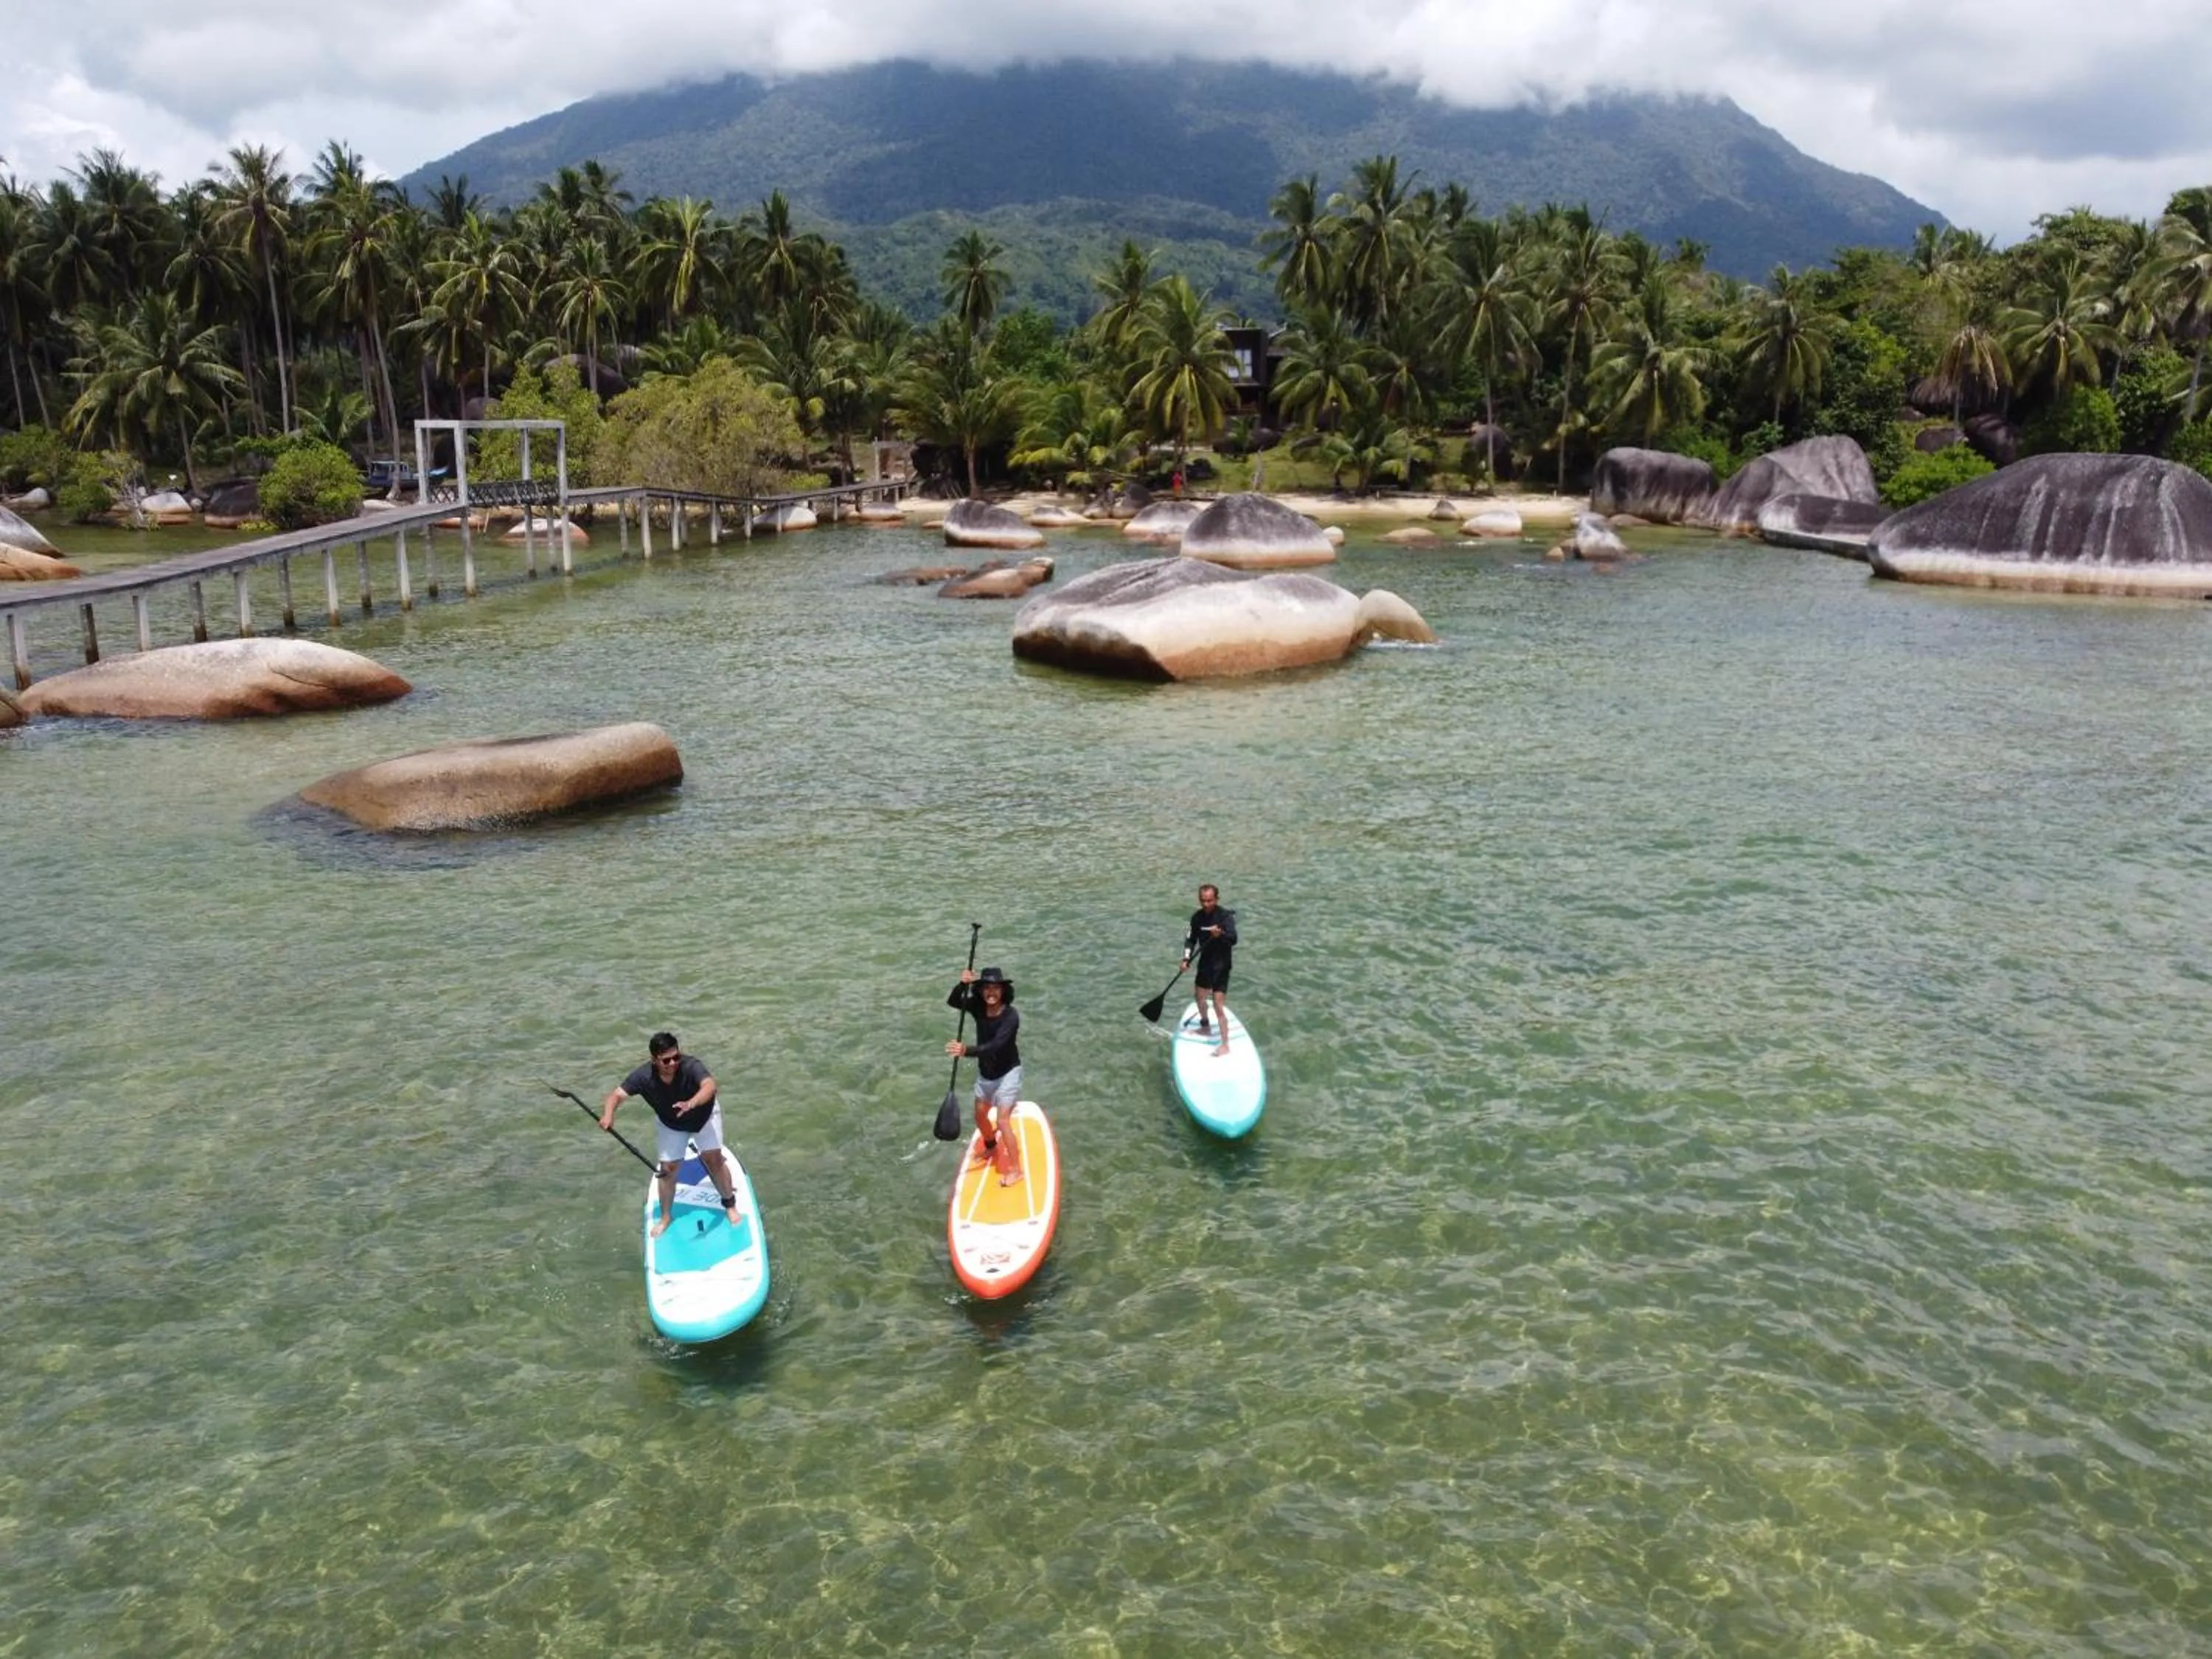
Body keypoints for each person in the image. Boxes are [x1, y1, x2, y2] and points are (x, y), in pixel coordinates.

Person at [599, 1032, 740, 1238]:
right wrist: (608, 1115)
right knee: (667, 1169)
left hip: (704, 1116)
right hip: (671, 1124)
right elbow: (616, 1095)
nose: (673, 1063)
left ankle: (729, 1204)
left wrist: (691, 1103)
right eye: (666, 1060)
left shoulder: (691, 1066)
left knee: (713, 1159)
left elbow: (710, 1086)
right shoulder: (643, 1076)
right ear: (654, 1060)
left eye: (676, 1057)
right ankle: (666, 1217)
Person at [947, 965, 1023, 1186]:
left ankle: (1016, 1170)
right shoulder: (978, 1008)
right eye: (987, 988)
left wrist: (966, 1050)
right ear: (981, 991)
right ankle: (991, 1147)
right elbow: (953, 1002)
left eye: (996, 988)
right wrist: (962, 984)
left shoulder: (1011, 1016)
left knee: (1002, 1120)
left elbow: (996, 1046)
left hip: (1008, 1072)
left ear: (1003, 991)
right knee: (980, 1117)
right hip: (986, 1073)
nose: (992, 993)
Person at [1180, 884, 1239, 1057]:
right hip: (1205, 962)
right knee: (1199, 997)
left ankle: (1225, 1044)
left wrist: (1220, 935)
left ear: (1216, 899)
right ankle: (1205, 1026)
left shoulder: (1225, 917)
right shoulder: (1197, 918)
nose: (1206, 904)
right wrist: (1185, 959)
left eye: (1210, 901)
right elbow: (1190, 940)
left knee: (1217, 1005)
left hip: (1221, 964)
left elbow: (1234, 939)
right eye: (1203, 901)